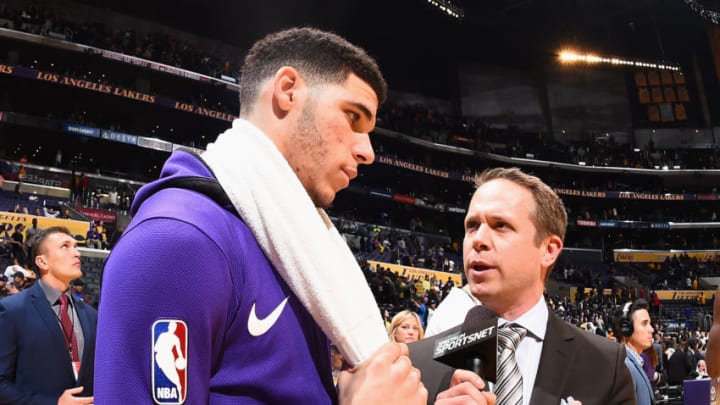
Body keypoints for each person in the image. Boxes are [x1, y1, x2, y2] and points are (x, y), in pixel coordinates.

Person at [95, 27, 429, 404]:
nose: (367, 150)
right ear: (288, 90)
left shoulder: (292, 243)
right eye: (353, 116)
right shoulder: (178, 240)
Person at [426, 167, 635, 405]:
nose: (478, 240)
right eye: (472, 226)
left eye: (500, 225)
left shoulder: (605, 365)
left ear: (548, 250)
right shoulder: (423, 363)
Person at [0, 226, 97, 404]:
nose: (76, 253)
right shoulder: (12, 310)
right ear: (42, 262)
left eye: (75, 246)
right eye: (65, 246)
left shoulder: (91, 315)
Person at [614, 299, 655, 405]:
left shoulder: (631, 363)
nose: (652, 329)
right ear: (626, 328)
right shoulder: (625, 367)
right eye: (644, 324)